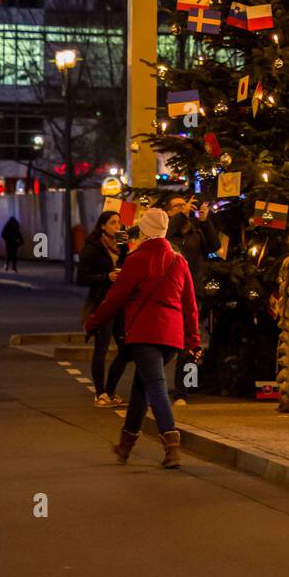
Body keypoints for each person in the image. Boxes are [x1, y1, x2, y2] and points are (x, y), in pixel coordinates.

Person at [84, 208, 199, 468]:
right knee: (141, 387)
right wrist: (192, 341)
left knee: (155, 385)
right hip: (172, 336)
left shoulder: (137, 259)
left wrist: (93, 322)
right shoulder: (179, 261)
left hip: (145, 333)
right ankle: (125, 445)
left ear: (145, 230)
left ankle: (171, 444)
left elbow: (115, 298)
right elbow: (190, 305)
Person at [166, 194, 217, 406]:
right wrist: (181, 215)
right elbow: (166, 235)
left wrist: (205, 221)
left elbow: (213, 246)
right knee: (169, 343)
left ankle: (183, 391)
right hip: (171, 295)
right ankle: (152, 384)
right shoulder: (168, 234)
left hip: (193, 294)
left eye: (183, 204)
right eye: (176, 206)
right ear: (169, 213)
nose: (182, 207)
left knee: (190, 343)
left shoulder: (196, 233)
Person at [76, 211, 129, 407]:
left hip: (120, 303)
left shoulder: (121, 246)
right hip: (102, 304)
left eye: (119, 222)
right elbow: (81, 278)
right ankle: (101, 394)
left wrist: (126, 250)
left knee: (126, 349)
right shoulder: (92, 249)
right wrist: (105, 277)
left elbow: (127, 266)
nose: (118, 225)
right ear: (103, 227)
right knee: (102, 348)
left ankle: (111, 390)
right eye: (113, 222)